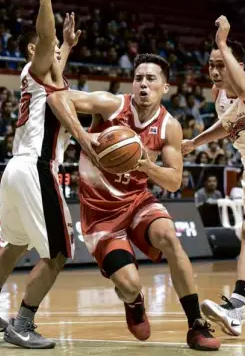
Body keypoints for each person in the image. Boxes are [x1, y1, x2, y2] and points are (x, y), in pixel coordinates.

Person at [48, 53, 220, 351]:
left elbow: (174, 181)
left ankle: (195, 324)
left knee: (168, 236)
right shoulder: (111, 105)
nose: (143, 84)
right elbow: (56, 99)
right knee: (128, 286)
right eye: (138, 77)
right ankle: (135, 300)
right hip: (100, 213)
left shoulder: (170, 126)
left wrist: (147, 166)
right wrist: (84, 138)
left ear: (165, 87)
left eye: (151, 79)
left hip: (138, 201)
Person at [0, 0, 81, 349]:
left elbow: (58, 59)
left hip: (14, 169)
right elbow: (45, 39)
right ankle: (23, 322)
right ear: (34, 51)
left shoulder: (49, 78)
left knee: (13, 245)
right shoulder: (37, 67)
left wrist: (68, 44)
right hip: (36, 167)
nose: (52, 52)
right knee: (61, 252)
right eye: (46, 49)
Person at [181, 15, 245, 337]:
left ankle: (235, 308)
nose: (216, 71)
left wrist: (222, 41)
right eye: (211, 65)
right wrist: (196, 141)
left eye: (222, 64)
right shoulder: (219, 95)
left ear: (239, 64)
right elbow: (228, 122)